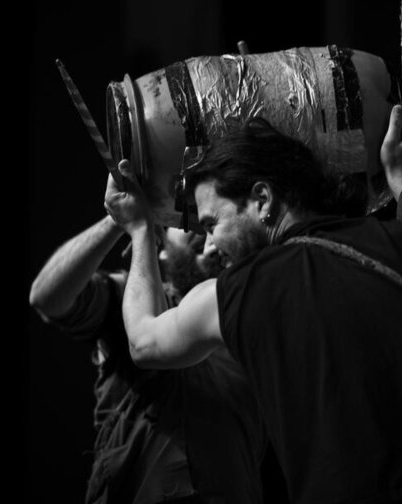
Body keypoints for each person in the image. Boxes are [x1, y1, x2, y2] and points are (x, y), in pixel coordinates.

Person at [105, 104, 402, 504]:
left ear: (262, 199)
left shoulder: (243, 289)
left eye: (212, 224)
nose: (210, 245)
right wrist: (401, 180)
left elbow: (143, 341)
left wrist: (140, 229)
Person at [29, 203, 270, 502]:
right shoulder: (136, 305)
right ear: (162, 249)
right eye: (190, 224)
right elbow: (47, 298)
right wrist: (117, 218)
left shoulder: (250, 325)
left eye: (210, 227)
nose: (206, 236)